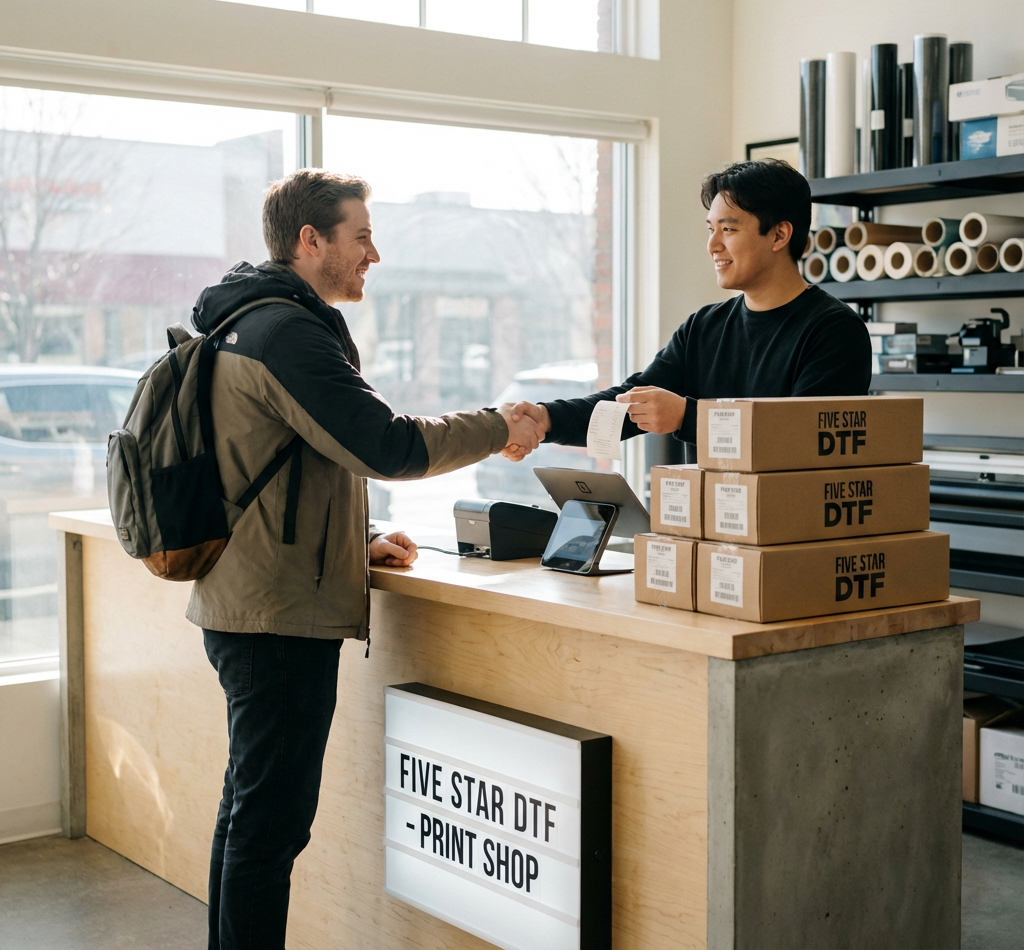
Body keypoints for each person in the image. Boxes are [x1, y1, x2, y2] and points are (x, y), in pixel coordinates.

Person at [187, 169, 544, 949]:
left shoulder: (242, 321)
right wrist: (498, 426)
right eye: (362, 236)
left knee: (248, 813)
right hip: (277, 616)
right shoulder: (285, 332)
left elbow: (283, 462)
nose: (373, 255)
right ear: (310, 241)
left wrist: (357, 538)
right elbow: (384, 444)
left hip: (249, 599)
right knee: (268, 827)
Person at [506, 159, 871, 458]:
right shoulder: (704, 327)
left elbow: (803, 440)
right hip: (707, 518)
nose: (712, 245)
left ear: (779, 235)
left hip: (788, 523)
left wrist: (686, 416)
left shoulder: (835, 331)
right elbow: (630, 403)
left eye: (728, 229)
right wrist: (545, 419)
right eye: (711, 229)